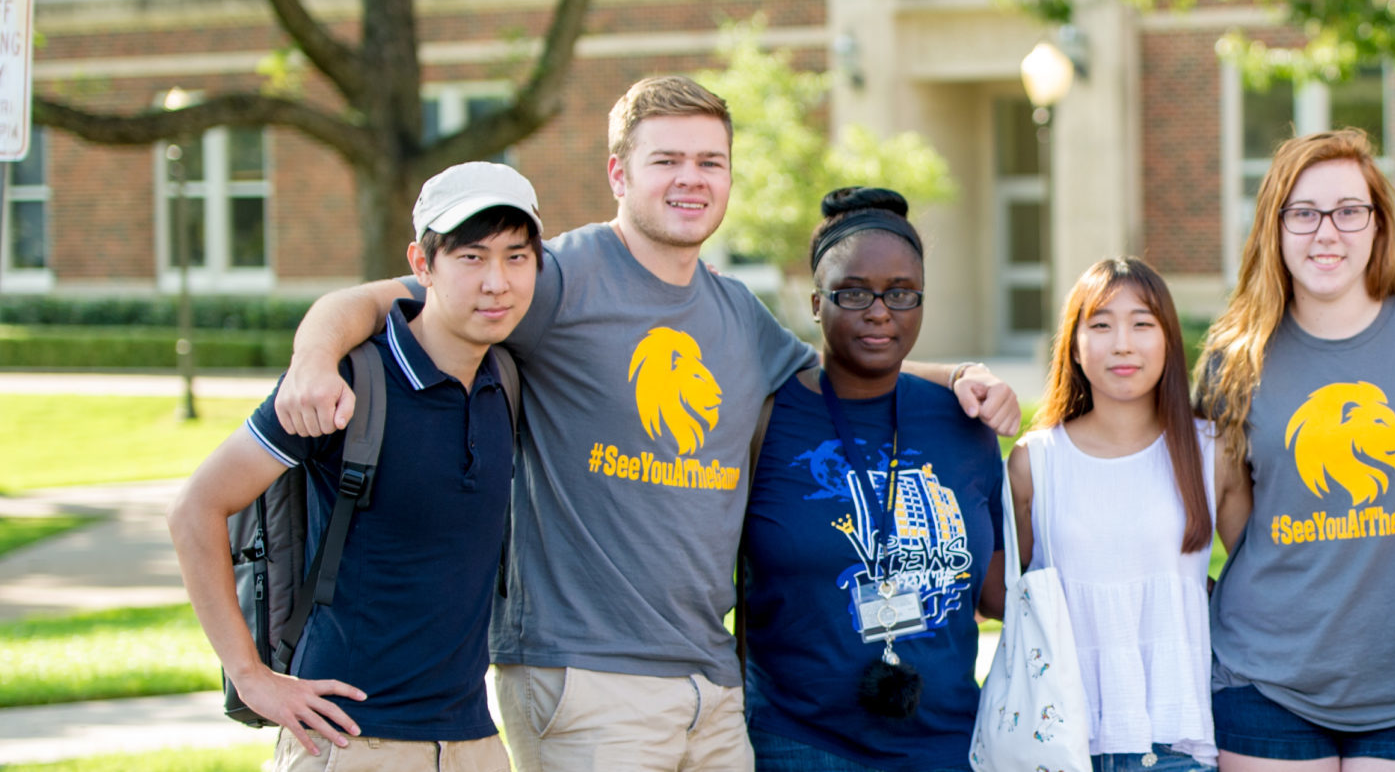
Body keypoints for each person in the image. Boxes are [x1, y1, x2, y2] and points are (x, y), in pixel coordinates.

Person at [267, 77, 1019, 772]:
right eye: (667, 160)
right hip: (589, 677)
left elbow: (844, 365)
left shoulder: (735, 314)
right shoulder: (557, 277)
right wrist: (313, 357)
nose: (691, 178)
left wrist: (958, 378)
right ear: (619, 175)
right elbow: (384, 299)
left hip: (712, 684)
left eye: (710, 161)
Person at [168, 162, 543, 772]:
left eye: (515, 257)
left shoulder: (506, 378)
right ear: (421, 267)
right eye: (471, 258)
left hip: (474, 741)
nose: (496, 282)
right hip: (352, 743)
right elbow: (195, 509)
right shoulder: (347, 381)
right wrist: (250, 676)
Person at [1196, 128, 1395, 772]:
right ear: (1275, 226)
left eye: (1349, 211)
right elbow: (1235, 513)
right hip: (1264, 677)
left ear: (1378, 224)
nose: (1327, 233)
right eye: (1304, 213)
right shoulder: (1235, 357)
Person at [737, 187, 1006, 772]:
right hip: (799, 742)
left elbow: (997, 590)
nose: (880, 311)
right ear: (814, 303)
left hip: (947, 743)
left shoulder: (965, 423)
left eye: (902, 293)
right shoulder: (764, 419)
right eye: (853, 292)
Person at [1008, 257, 1219, 772]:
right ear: (1075, 347)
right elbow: (1002, 597)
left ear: (1168, 339)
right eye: (1100, 325)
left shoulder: (1213, 451)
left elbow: (1263, 576)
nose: (1122, 343)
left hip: (1178, 744)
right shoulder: (1035, 461)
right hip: (1060, 745)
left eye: (1142, 324)